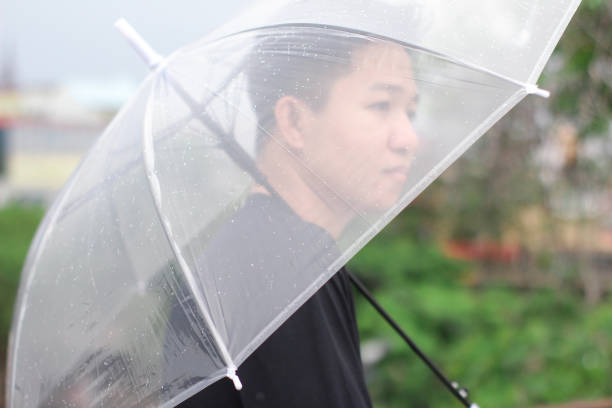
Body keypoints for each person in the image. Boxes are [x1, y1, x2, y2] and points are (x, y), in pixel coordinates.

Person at [175, 27, 418, 408]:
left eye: (411, 112)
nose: (408, 138)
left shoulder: (259, 247)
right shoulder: (286, 262)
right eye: (381, 106)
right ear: (294, 121)